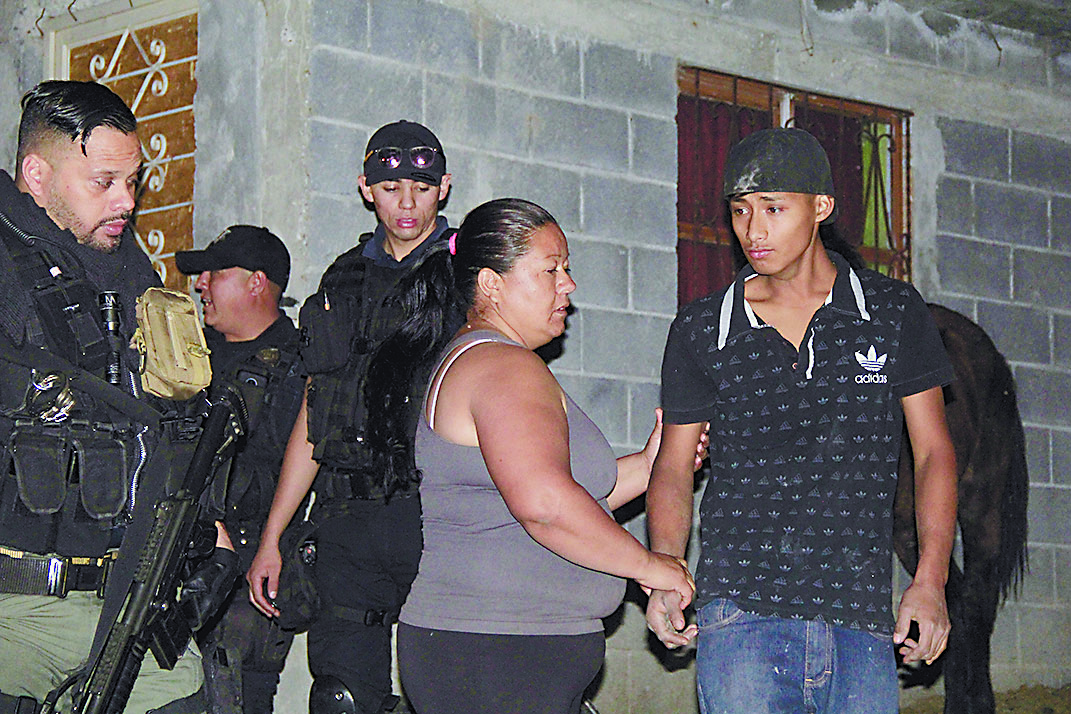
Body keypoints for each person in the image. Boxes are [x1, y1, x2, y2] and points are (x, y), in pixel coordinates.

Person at [645, 127, 958, 714]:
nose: (753, 230)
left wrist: (931, 580)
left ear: (821, 207)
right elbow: (673, 465)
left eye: (773, 209)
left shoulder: (891, 312)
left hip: (860, 615)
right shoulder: (703, 328)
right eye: (740, 210)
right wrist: (666, 568)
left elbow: (934, 453)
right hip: (740, 611)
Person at [361, 197, 697, 714]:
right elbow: (544, 505)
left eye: (567, 268)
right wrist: (650, 567)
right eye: (550, 270)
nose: (569, 284)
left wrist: (651, 465)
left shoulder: (492, 359)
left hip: (501, 650)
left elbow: (557, 498)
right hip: (497, 651)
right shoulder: (502, 366)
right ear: (491, 284)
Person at [0, 80, 224, 713]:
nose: (126, 200)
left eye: (132, 181)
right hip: (15, 605)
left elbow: (165, 418)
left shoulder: (127, 272)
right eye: (104, 182)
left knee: (185, 692)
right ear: (37, 175)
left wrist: (207, 528)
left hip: (119, 596)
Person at [246, 120, 454, 714]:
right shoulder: (342, 280)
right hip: (346, 518)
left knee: (452, 692)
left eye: (422, 187)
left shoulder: (468, 274)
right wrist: (274, 535)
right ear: (366, 189)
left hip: (436, 515)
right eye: (390, 189)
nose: (406, 203)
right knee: (341, 698)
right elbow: (317, 413)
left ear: (443, 189)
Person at [176, 225, 306, 714]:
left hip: (248, 568)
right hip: (180, 558)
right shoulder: (189, 356)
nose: (200, 284)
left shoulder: (299, 366)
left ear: (257, 282)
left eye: (214, 273)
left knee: (238, 697)